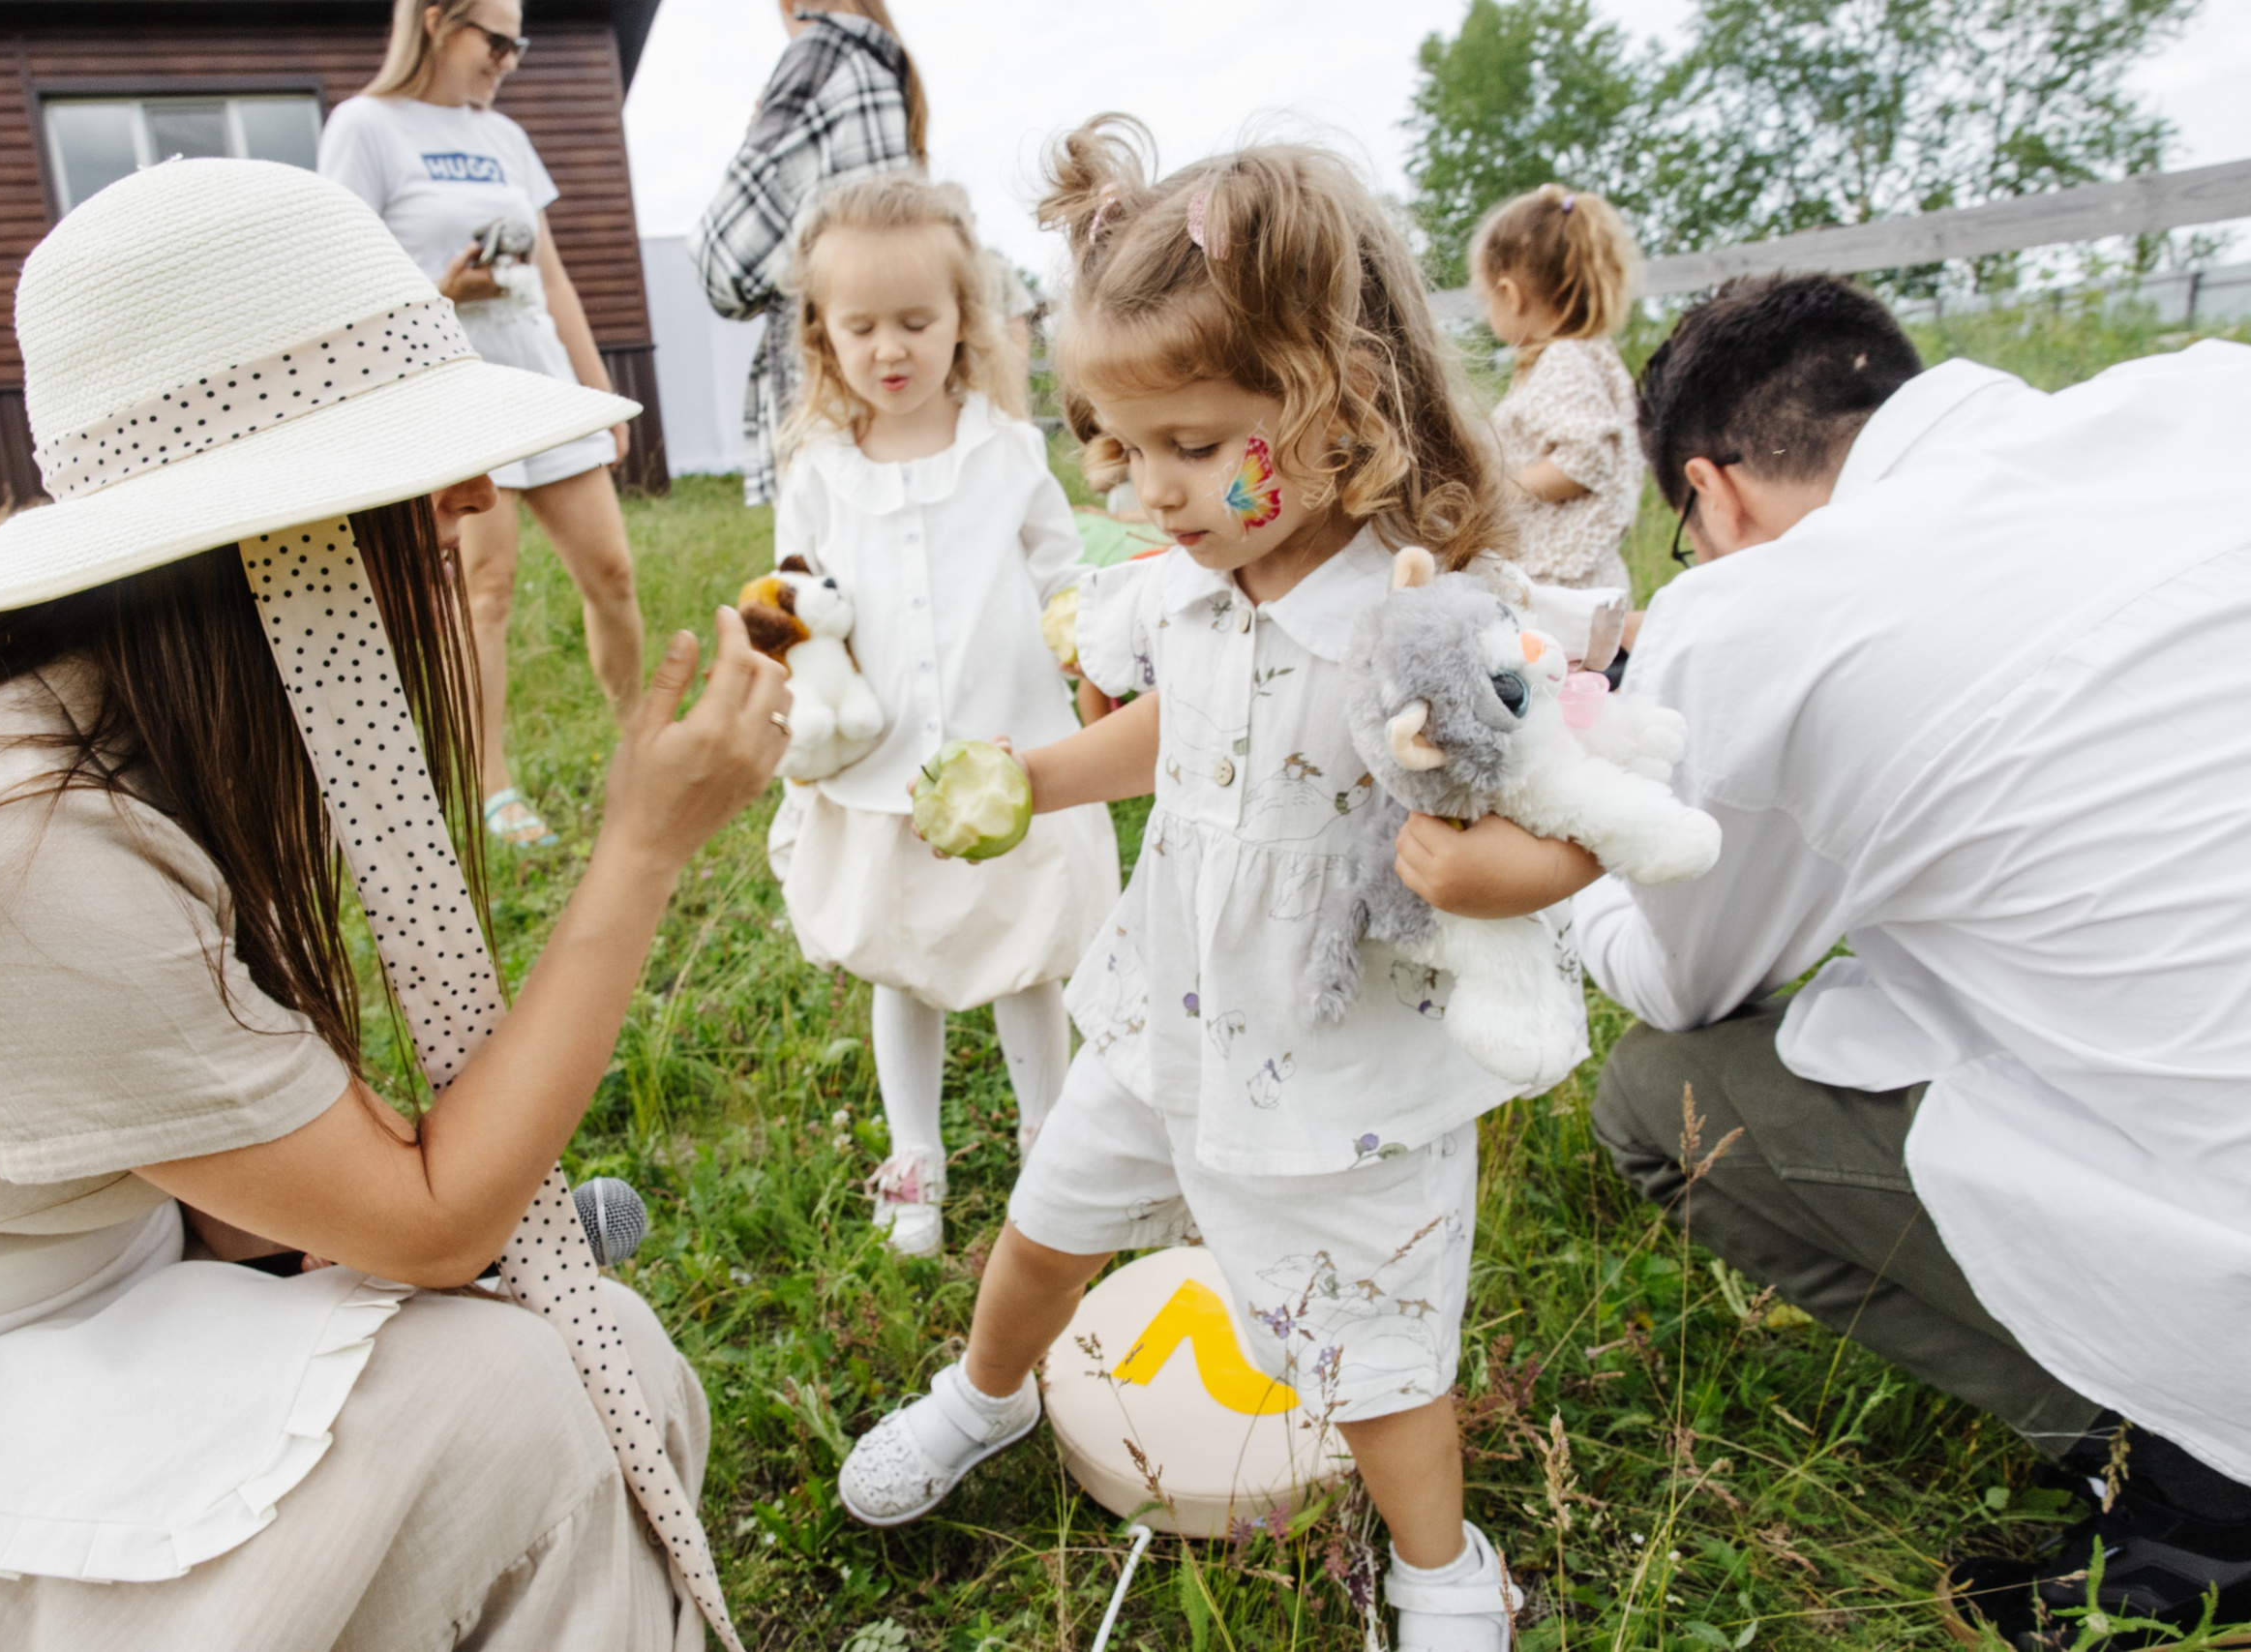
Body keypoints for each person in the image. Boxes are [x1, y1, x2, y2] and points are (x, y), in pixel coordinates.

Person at [0, 159, 790, 1651]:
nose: (462, 516)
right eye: (420, 494)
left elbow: (287, 1180)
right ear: (272, 542)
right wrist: (640, 848)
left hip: (52, 1322)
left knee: (606, 1346)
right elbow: (436, 1214)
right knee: (520, 1407)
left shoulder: (104, 729)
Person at [835, 120, 1607, 1651]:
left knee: (1378, 1350)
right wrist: (1038, 776)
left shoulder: (1427, 625)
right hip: (1164, 1013)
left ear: (1340, 410)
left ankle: (1439, 1564)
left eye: (1192, 446)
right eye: (1122, 446)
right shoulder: (1189, 584)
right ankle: (985, 1397)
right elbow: (1185, 724)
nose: (1152, 489)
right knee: (1047, 1226)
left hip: (1342, 1063)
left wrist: (1491, 867)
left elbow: (1578, 817)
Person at [1576, 274, 2251, 1648]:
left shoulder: (1755, 612)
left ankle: (2198, 1485)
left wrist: (1564, 874)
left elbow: (1693, 983)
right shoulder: (2202, 393)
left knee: (1659, 1096)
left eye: (1690, 538)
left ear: (1714, 492)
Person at [763, 171, 1119, 1258]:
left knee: (1026, 956)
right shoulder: (820, 471)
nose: (890, 348)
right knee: (900, 964)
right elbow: (793, 597)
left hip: (1010, 754)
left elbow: (1064, 569)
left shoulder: (1002, 449)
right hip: (881, 772)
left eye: (915, 320)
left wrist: (1085, 627)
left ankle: (1048, 1137)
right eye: (860, 326)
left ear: (964, 318)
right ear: (822, 335)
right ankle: (913, 1150)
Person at [320, 0, 645, 849]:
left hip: (538, 383)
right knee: (485, 589)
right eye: (495, 40)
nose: (509, 59)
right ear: (435, 21)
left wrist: (597, 386)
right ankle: (493, 786)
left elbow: (557, 278)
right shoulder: (364, 128)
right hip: (451, 395)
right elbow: (343, 293)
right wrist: (442, 292)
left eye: (518, 43)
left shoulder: (503, 136)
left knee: (612, 571)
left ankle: (639, 740)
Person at [689, 0, 926, 506]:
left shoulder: (823, 53)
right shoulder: (885, 69)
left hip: (830, 404)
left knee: (824, 576)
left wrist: (756, 137)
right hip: (899, 407)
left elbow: (724, 267)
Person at [1472, 184, 1643, 592]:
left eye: (1486, 299)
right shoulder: (1582, 357)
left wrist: (1500, 490)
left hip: (1562, 584)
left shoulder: (1565, 360)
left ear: (1509, 295)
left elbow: (1586, 457)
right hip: (1573, 576)